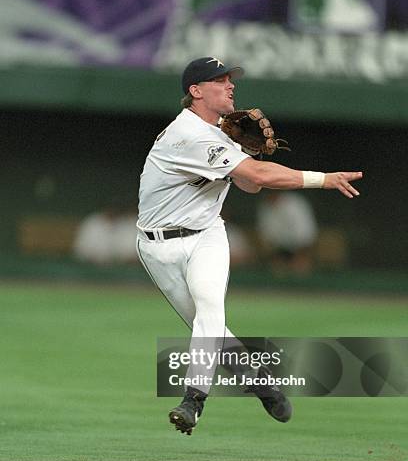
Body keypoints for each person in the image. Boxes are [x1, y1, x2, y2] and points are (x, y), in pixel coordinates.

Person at [136, 56, 362, 436]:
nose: (231, 86)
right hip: (157, 247)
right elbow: (258, 177)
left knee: (210, 309)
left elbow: (249, 183)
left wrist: (248, 151)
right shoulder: (188, 134)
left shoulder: (220, 134)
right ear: (195, 91)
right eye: (220, 80)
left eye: (230, 79)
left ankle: (193, 402)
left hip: (207, 236)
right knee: (210, 331)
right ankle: (258, 380)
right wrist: (322, 178)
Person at [256, 191, 318, 275]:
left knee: (300, 268)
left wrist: (299, 256)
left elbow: (305, 233)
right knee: (277, 270)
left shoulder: (295, 203)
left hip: (300, 247)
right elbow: (266, 236)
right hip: (278, 250)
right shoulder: (264, 207)